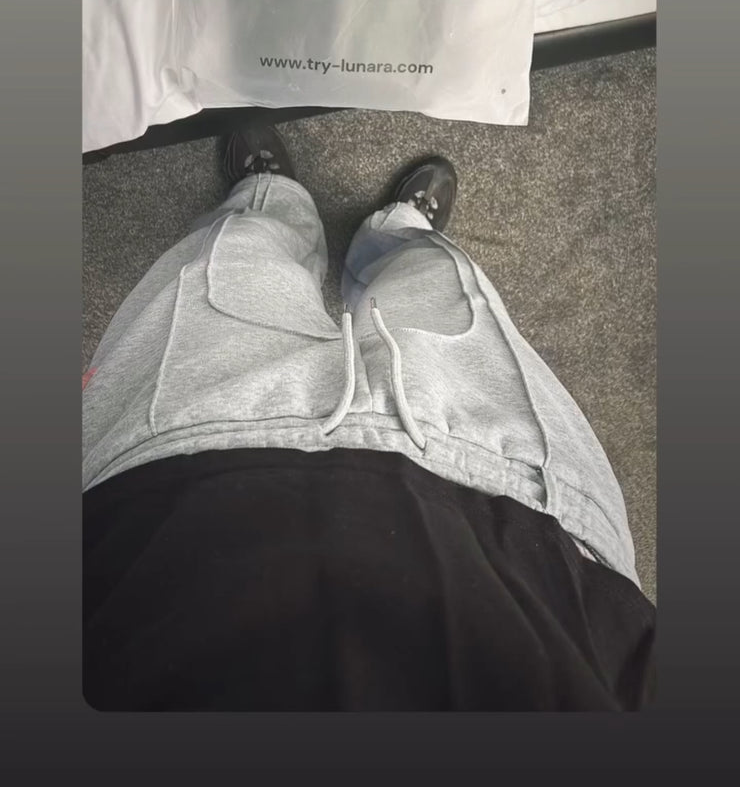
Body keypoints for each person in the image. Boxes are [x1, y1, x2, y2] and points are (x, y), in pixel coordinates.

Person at [82, 122, 656, 711]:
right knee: (439, 284)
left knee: (235, 257)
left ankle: (268, 198)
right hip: (526, 523)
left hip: (174, 479)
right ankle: (401, 233)